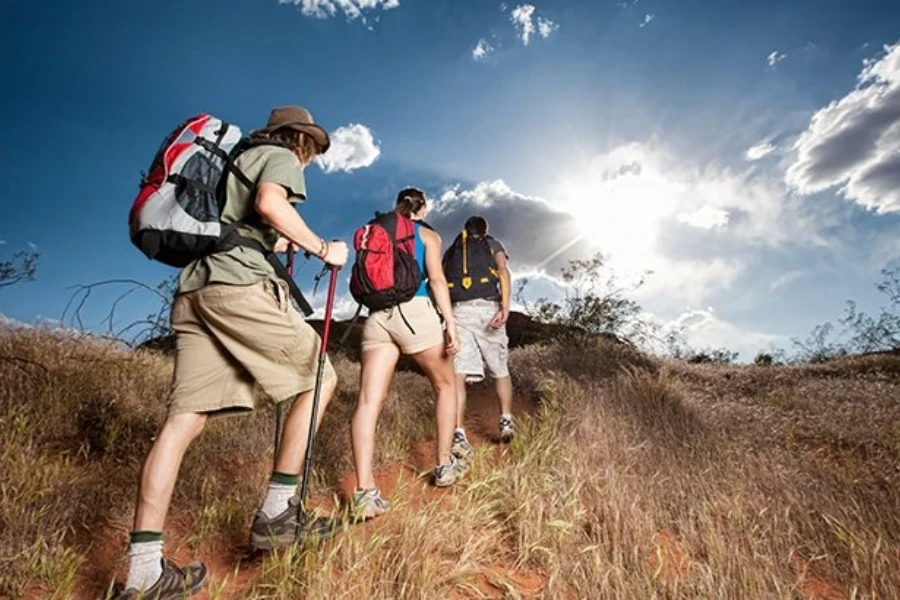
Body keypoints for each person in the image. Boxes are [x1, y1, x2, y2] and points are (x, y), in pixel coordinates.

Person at [115, 105, 349, 599]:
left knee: (183, 421)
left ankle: (143, 573)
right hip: (238, 289)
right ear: (300, 139)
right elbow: (270, 203)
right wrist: (322, 248)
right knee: (321, 376)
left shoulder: (231, 161)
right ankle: (278, 513)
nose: (311, 160)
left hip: (195, 292)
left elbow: (242, 219)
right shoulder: (280, 155)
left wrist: (277, 243)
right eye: (314, 151)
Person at [350, 188, 465, 520]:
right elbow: (438, 280)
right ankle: (444, 465)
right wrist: (450, 324)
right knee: (446, 386)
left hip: (376, 318)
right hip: (414, 313)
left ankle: (364, 491)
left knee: (368, 402)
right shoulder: (427, 234)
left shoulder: (376, 230)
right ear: (423, 208)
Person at [442, 216, 514, 464]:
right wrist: (504, 307)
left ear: (465, 231)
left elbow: (440, 281)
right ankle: (505, 418)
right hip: (487, 308)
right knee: (500, 369)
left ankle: (458, 431)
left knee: (458, 374)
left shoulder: (453, 250)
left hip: (459, 310)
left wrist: (447, 316)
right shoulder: (492, 244)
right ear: (484, 230)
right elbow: (503, 272)